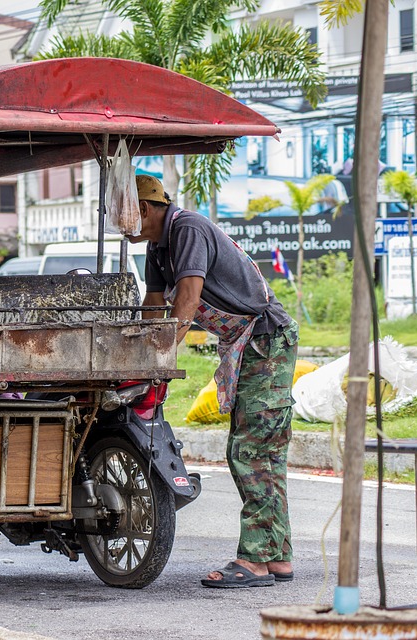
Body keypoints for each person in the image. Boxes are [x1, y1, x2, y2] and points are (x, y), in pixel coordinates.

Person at [127, 175, 299, 589]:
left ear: (145, 210)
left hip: (266, 341)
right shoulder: (157, 247)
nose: (120, 226)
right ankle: (277, 556)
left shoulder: (187, 229)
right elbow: (154, 304)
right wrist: (134, 353)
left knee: (251, 449)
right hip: (247, 343)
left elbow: (186, 297)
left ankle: (254, 562)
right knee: (262, 452)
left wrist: (164, 354)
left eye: (123, 216)